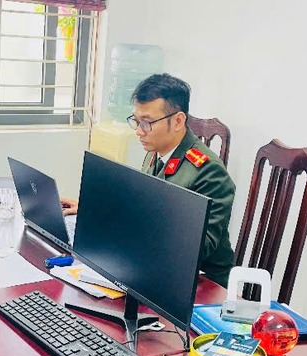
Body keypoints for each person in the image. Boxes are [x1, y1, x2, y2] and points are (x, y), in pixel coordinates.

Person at [61, 74, 236, 287]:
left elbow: (200, 249)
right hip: (155, 268)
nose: (138, 131)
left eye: (146, 123)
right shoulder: (156, 151)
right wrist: (93, 210)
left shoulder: (208, 172)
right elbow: (140, 206)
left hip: (200, 284)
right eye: (136, 121)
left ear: (178, 121)